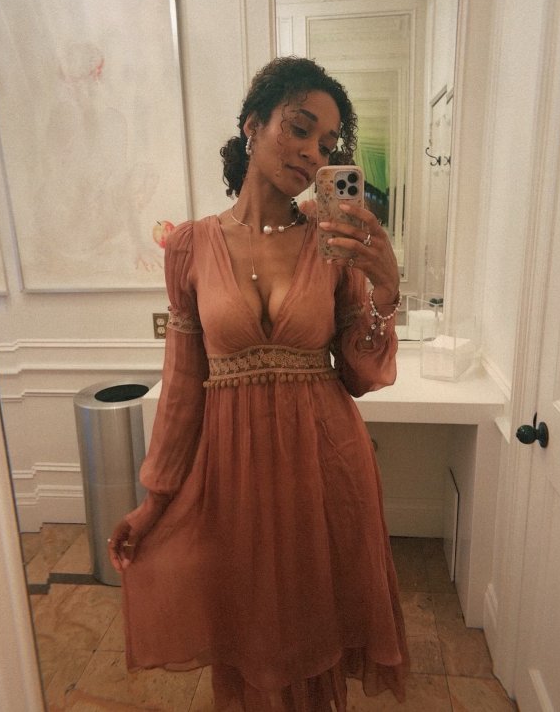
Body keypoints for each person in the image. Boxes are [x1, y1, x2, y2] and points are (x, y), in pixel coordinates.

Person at [109, 56, 409, 711]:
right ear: (253, 125)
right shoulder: (190, 246)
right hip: (233, 477)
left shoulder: (332, 243)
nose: (312, 153)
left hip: (325, 469)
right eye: (298, 128)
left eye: (327, 144)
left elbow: (360, 373)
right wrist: (154, 501)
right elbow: (182, 385)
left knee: (315, 630)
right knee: (249, 635)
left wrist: (386, 291)